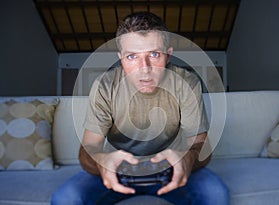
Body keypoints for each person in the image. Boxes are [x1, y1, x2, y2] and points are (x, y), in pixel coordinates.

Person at [51, 11, 230, 205]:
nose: (144, 68)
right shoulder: (104, 85)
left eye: (154, 54)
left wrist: (186, 160)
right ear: (121, 58)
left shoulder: (186, 82)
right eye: (132, 56)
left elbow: (201, 146)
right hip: (117, 170)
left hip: (170, 170)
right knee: (66, 199)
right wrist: (102, 163)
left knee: (216, 195)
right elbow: (87, 150)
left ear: (168, 56)